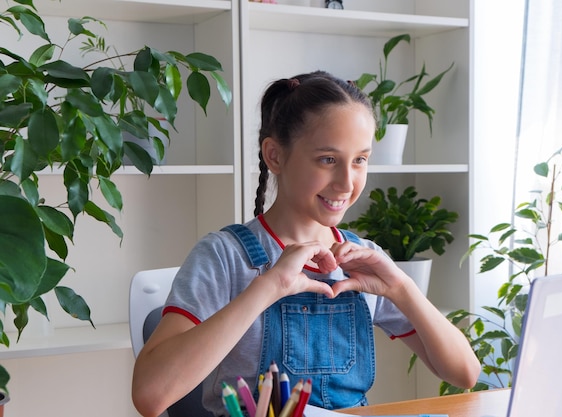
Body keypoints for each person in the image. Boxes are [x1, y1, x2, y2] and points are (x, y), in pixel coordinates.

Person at [132, 70, 480, 417]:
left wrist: (402, 288)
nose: (347, 183)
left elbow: (464, 373)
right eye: (328, 160)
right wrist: (270, 287)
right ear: (275, 156)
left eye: (360, 160)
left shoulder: (364, 260)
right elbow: (150, 396)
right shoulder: (225, 256)